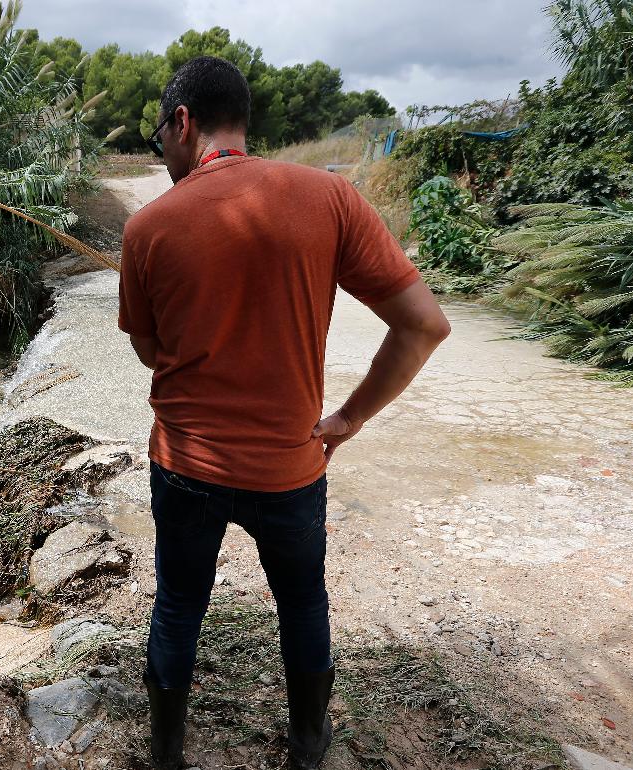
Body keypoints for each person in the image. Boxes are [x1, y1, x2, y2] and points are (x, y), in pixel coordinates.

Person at [118, 56, 451, 770]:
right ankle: (307, 747)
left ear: (183, 124)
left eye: (160, 141)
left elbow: (152, 353)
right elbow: (424, 325)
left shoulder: (148, 227)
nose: (164, 155)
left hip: (184, 467)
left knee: (179, 605)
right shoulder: (329, 198)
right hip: (290, 467)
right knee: (302, 603)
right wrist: (349, 420)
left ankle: (167, 757)